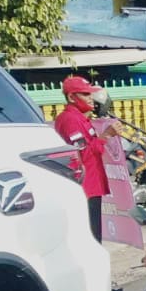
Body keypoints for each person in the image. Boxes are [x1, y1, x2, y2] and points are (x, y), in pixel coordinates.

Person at [53, 74, 113, 242]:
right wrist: (106, 136)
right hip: (85, 187)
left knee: (95, 234)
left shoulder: (80, 118)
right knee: (91, 238)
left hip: (92, 183)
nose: (91, 98)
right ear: (72, 97)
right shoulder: (70, 120)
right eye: (85, 94)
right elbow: (83, 154)